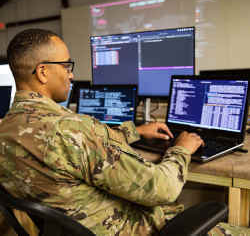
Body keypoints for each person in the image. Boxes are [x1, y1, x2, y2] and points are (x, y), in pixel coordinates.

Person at [0, 28, 245, 236]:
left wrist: (135, 131)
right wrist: (182, 148)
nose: (71, 74)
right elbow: (162, 189)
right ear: (43, 72)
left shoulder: (6, 129)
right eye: (66, 66)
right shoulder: (72, 129)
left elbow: (81, 151)